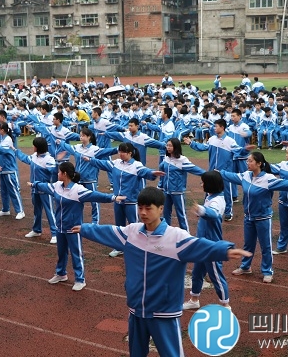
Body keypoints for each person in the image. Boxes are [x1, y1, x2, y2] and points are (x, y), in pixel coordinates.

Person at [71, 187, 250, 356]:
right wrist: (86, 229)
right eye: (140, 208)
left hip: (164, 313)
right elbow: (109, 231)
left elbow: (201, 246)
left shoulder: (175, 237)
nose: (142, 213)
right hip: (136, 310)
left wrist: (225, 250)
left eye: (148, 209)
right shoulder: (132, 232)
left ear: (161, 209)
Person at [218, 152, 288, 283]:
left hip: (263, 218)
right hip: (248, 217)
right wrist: (218, 172)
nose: (247, 163)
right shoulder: (245, 176)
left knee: (265, 246)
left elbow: (285, 183)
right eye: (247, 161)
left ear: (259, 163)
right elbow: (230, 176)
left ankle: (267, 271)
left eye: (250, 161)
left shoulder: (268, 178)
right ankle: (245, 267)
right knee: (248, 244)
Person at [28, 162, 125, 291]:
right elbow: (45, 186)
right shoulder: (57, 186)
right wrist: (34, 184)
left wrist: (113, 197)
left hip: (74, 228)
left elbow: (96, 195)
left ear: (65, 174)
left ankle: (80, 279)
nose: (57, 174)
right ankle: (61, 274)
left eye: (59, 172)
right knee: (61, 252)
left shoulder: (78, 190)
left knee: (76, 253)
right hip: (60, 227)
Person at [83, 142, 165, 257]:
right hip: (118, 200)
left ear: (130, 153)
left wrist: (152, 173)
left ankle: (138, 247)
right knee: (119, 226)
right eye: (119, 151)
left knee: (134, 225)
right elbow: (103, 164)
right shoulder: (116, 163)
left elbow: (145, 171)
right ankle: (119, 247)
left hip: (131, 202)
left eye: (123, 152)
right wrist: (90, 160)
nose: (120, 154)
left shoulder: (136, 165)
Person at [184, 119, 252, 221]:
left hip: (225, 173)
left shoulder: (230, 141)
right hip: (212, 171)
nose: (214, 128)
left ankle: (228, 212)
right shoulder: (211, 139)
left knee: (227, 193)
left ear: (222, 127)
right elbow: (203, 147)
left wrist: (245, 150)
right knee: (208, 191)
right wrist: (191, 143)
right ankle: (205, 209)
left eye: (216, 126)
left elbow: (239, 151)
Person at [183, 171, 231, 310]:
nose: (201, 184)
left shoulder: (217, 200)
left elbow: (214, 214)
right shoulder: (211, 196)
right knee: (197, 272)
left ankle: (226, 305)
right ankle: (194, 299)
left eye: (203, 182)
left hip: (211, 245)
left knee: (216, 275)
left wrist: (202, 210)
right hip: (202, 242)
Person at [16, 137, 58, 243]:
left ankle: (55, 233)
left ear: (38, 147)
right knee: (37, 210)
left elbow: (54, 172)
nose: (32, 147)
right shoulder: (34, 156)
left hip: (45, 189)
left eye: (34, 145)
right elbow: (26, 159)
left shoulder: (49, 159)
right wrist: (16, 151)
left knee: (50, 211)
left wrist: (57, 164)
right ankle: (36, 229)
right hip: (34, 188)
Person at [159, 137, 204, 231]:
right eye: (167, 145)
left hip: (177, 192)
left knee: (181, 214)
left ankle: (186, 234)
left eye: (170, 145)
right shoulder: (166, 158)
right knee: (166, 213)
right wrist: (160, 185)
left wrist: (207, 174)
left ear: (176, 147)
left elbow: (195, 169)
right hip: (166, 191)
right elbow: (162, 172)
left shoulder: (182, 160)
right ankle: (166, 232)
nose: (168, 147)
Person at [0, 122, 25, 219]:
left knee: (13, 191)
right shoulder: (3, 138)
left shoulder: (8, 139)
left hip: (9, 169)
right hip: (3, 169)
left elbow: (1, 150)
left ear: (3, 130)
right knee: (4, 191)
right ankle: (6, 209)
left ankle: (20, 211)